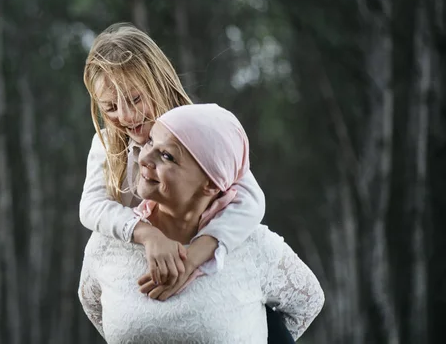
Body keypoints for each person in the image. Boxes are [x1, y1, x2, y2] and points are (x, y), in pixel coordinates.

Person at [79, 23, 293, 342]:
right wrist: (149, 235)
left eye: (135, 98)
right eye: (110, 106)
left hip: (218, 284)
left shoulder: (197, 127)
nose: (125, 115)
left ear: (156, 80)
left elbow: (251, 199)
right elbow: (92, 206)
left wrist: (196, 254)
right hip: (150, 292)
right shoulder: (107, 142)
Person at [78, 104, 325, 343]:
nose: (144, 158)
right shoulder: (108, 244)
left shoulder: (255, 246)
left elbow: (307, 303)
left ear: (211, 183)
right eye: (150, 142)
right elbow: (94, 306)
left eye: (167, 156)